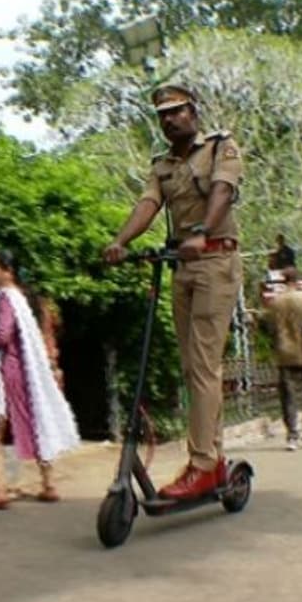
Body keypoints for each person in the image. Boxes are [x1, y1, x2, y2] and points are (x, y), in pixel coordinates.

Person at [103, 83, 244, 500]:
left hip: (216, 261)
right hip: (182, 267)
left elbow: (222, 190)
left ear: (193, 112)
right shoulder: (162, 165)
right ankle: (211, 459)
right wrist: (120, 241)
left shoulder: (220, 147)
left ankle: (202, 465)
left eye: (176, 111)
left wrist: (201, 231)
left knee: (202, 366)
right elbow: (148, 204)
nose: (168, 119)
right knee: (192, 369)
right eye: (162, 114)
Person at [0, 250, 80, 509]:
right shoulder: (22, 299)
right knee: (37, 422)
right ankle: (49, 485)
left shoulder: (5, 298)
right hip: (23, 372)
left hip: (5, 372)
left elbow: (1, 337)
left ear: (8, 272)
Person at [266, 269, 302, 451]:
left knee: (288, 395)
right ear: (296, 280)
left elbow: (271, 328)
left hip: (284, 353)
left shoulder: (275, 302)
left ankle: (292, 435)